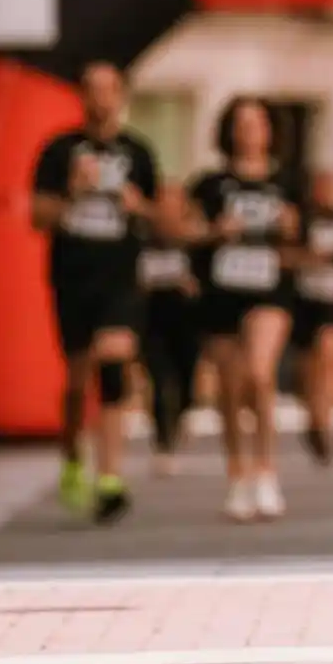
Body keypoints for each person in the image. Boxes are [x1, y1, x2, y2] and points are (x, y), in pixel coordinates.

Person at [30, 61, 159, 522]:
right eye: (93, 90)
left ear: (121, 96)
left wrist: (138, 206)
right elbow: (37, 218)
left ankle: (110, 475)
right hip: (73, 275)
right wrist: (72, 190)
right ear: (82, 96)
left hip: (120, 275)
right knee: (77, 380)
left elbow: (160, 218)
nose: (101, 99)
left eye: (109, 90)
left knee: (114, 360)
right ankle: (71, 455)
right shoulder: (58, 150)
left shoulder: (138, 153)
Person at [186, 96, 299, 522]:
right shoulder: (211, 184)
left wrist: (290, 230)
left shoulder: (287, 184)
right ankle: (238, 472)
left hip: (269, 289)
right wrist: (215, 231)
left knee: (259, 374)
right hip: (221, 289)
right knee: (231, 387)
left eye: (257, 123)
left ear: (271, 131)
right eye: (241, 123)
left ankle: (267, 469)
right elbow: (185, 230)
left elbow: (306, 244)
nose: (249, 132)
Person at [289, 171, 333, 466]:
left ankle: (325, 419)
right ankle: (313, 416)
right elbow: (285, 254)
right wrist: (311, 257)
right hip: (305, 298)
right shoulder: (301, 218)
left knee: (332, 354)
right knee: (308, 365)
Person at [137, 180, 202, 477]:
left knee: (186, 375)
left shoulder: (193, 241)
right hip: (151, 317)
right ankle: (163, 441)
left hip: (186, 318)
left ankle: (183, 413)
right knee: (159, 379)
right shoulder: (140, 238)